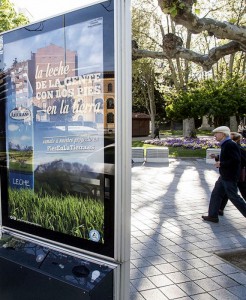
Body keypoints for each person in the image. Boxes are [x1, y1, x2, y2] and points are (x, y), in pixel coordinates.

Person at [202, 126, 246, 223]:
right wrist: (218, 159)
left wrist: (221, 163)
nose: (215, 136)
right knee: (216, 194)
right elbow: (228, 158)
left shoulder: (230, 144)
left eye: (217, 133)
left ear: (223, 134)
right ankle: (212, 216)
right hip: (224, 176)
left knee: (234, 197)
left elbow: (236, 160)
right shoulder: (226, 144)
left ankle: (213, 215)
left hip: (229, 176)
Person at [219, 132, 246, 215]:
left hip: (237, 174)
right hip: (233, 174)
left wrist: (222, 164)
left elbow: (237, 160)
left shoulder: (236, 147)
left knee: (237, 194)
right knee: (228, 192)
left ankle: (220, 209)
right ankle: (220, 209)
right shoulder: (234, 146)